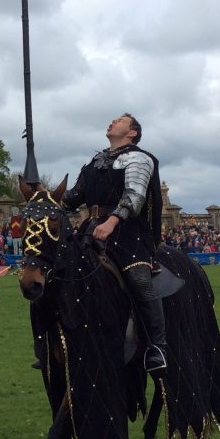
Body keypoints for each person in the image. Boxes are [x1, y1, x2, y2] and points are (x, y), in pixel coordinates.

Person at [62, 113, 167, 372]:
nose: (112, 122)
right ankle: (57, 341)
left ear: (132, 132)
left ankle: (157, 347)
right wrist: (44, 199)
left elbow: (135, 196)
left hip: (129, 232)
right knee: (61, 272)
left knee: (139, 280)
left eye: (120, 120)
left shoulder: (139, 158)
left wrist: (111, 222)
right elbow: (74, 198)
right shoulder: (95, 162)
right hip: (91, 230)